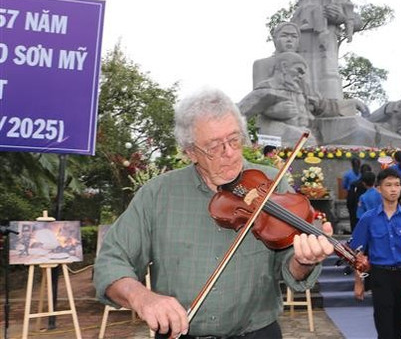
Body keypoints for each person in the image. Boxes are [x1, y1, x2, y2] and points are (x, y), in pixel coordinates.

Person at [94, 88, 334, 339]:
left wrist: (302, 262)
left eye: (234, 140)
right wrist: (142, 297)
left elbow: (288, 266)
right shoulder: (157, 194)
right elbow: (111, 262)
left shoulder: (271, 183)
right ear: (190, 151)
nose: (229, 153)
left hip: (256, 333)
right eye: (213, 146)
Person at [350, 167, 401, 339]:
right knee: (385, 329)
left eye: (397, 185)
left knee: (400, 328)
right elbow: (358, 253)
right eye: (388, 185)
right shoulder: (368, 218)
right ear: (379, 188)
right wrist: (358, 282)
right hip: (381, 277)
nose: (393, 189)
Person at [252, 22, 301, 89]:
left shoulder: (303, 67)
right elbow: (258, 93)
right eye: (284, 35)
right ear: (275, 39)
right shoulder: (261, 64)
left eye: (294, 36)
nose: (289, 39)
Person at [346, 164, 373, 231]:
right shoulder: (374, 186)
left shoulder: (354, 184)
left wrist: (351, 210)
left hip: (356, 213)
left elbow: (350, 200)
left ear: (360, 172)